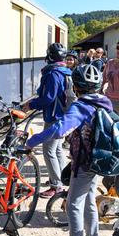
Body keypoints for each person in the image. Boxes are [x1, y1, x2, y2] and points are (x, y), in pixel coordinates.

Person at [25, 64, 113, 236]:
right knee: (89, 200)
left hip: (84, 162)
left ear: (75, 86)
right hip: (99, 160)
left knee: (73, 205)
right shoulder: (105, 102)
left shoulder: (80, 106)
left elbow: (59, 129)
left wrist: (32, 141)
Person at [21, 43, 72, 199]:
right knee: (56, 150)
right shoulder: (65, 71)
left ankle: (56, 186)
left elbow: (47, 98)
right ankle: (63, 178)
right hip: (64, 115)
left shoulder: (53, 74)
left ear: (49, 56)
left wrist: (30, 104)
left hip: (54, 116)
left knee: (48, 150)